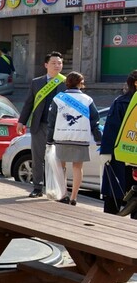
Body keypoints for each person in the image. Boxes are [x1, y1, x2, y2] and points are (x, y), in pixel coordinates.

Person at [46, 72, 101, 205]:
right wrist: (98, 137)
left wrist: (49, 140)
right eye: (82, 83)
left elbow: (51, 121)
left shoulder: (58, 98)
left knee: (61, 167)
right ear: (79, 83)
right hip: (80, 137)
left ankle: (63, 193)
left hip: (61, 137)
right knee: (77, 167)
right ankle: (74, 197)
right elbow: (95, 121)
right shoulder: (88, 99)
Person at [18, 51, 66, 197]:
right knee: (38, 157)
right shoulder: (36, 82)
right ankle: (38, 187)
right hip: (39, 125)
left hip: (58, 127)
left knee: (58, 159)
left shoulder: (65, 82)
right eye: (54, 63)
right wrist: (21, 121)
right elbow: (29, 103)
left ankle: (59, 190)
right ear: (46, 65)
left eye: (60, 63)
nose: (57, 66)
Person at [100, 70, 137, 217]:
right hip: (129, 157)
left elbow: (111, 129)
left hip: (120, 155)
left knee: (114, 194)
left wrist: (106, 152)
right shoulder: (121, 102)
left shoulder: (121, 102)